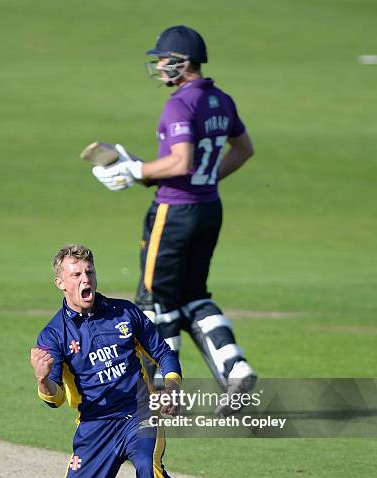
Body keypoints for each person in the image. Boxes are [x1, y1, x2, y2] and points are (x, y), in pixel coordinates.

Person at [92, 26, 257, 411]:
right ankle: (235, 368)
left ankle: (167, 393)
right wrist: (206, 178)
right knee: (193, 296)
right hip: (208, 208)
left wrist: (138, 171)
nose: (160, 66)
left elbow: (180, 160)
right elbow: (244, 149)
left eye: (164, 60)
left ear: (181, 63)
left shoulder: (180, 105)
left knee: (154, 300)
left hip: (174, 212)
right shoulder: (221, 100)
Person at [14, 244, 190, 478]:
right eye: (76, 274)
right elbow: (55, 397)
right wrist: (41, 378)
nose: (85, 279)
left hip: (138, 413)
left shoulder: (125, 313)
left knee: (149, 468)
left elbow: (164, 353)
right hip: (94, 427)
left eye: (89, 272)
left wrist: (171, 386)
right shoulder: (54, 334)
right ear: (61, 283)